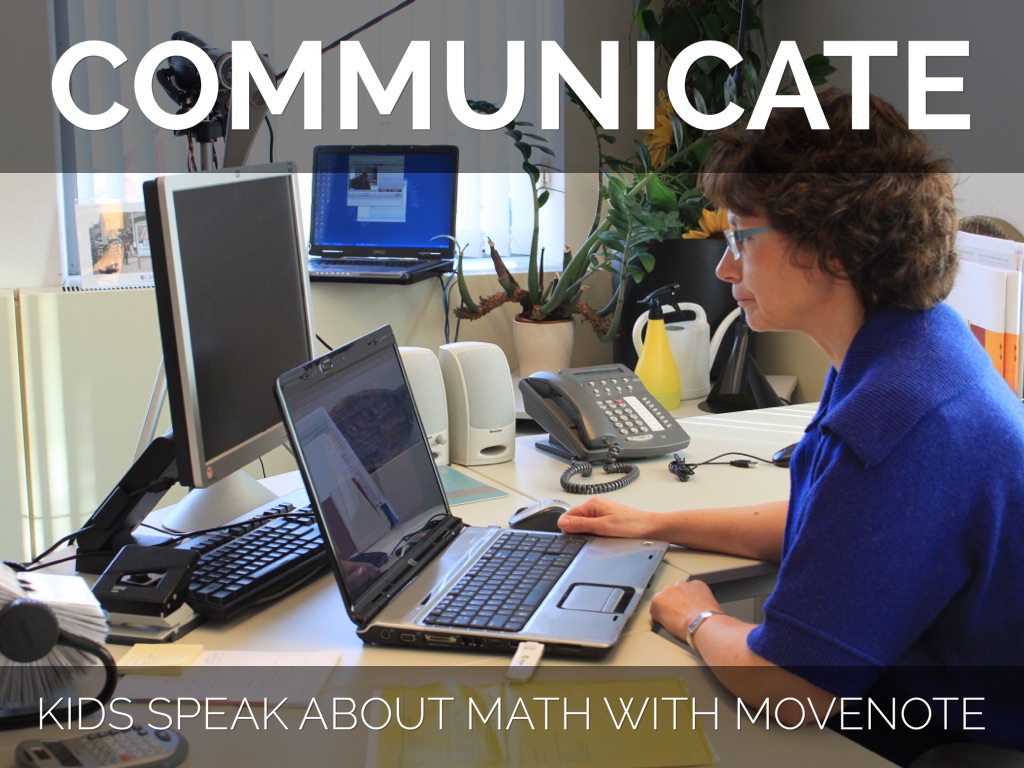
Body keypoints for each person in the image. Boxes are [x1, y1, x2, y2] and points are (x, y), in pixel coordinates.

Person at [558, 89, 1024, 766]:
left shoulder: (891, 421)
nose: (725, 267)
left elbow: (788, 688)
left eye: (740, 236)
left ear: (830, 244)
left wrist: (695, 615)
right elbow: (838, 522)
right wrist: (657, 523)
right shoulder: (917, 345)